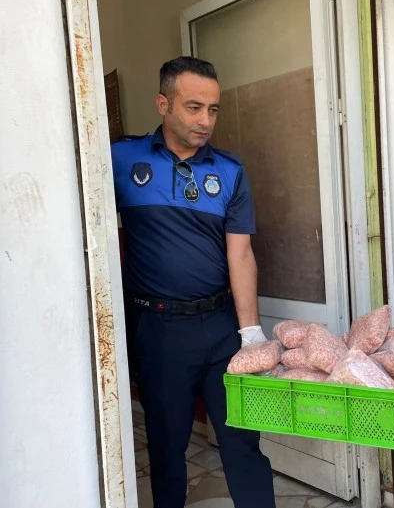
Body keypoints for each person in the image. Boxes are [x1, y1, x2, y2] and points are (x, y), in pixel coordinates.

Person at [111, 56, 275, 508]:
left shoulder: (229, 170)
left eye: (213, 109)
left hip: (221, 328)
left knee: (242, 442)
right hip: (159, 331)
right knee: (166, 447)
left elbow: (240, 253)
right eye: (194, 107)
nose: (206, 121)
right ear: (163, 104)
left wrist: (250, 332)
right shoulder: (121, 160)